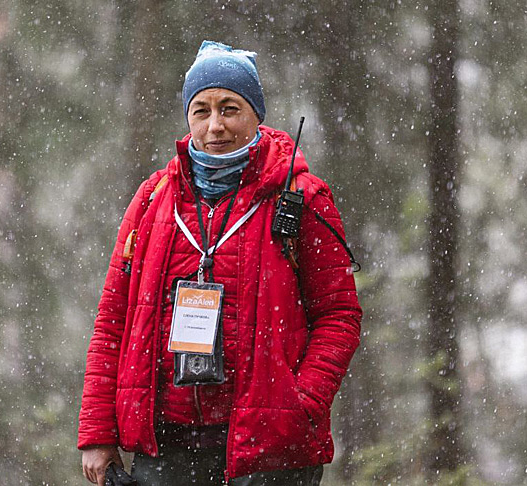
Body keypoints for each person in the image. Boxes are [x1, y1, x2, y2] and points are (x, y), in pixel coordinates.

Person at [79, 40, 362, 486]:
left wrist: (299, 402)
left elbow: (339, 316)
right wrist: (97, 432)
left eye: (229, 108)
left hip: (269, 452)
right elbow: (112, 321)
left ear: (255, 115)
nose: (215, 126)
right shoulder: (154, 200)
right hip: (166, 449)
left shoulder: (303, 198)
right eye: (201, 110)